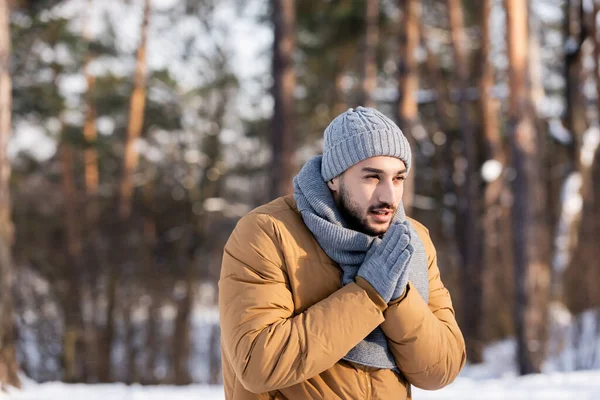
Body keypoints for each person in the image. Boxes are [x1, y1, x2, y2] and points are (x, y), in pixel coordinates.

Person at [219, 106, 466, 399]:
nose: (389, 196)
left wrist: (399, 298)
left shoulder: (411, 241)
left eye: (398, 178)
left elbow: (442, 369)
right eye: (372, 177)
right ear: (333, 178)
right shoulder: (267, 233)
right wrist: (368, 295)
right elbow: (258, 364)